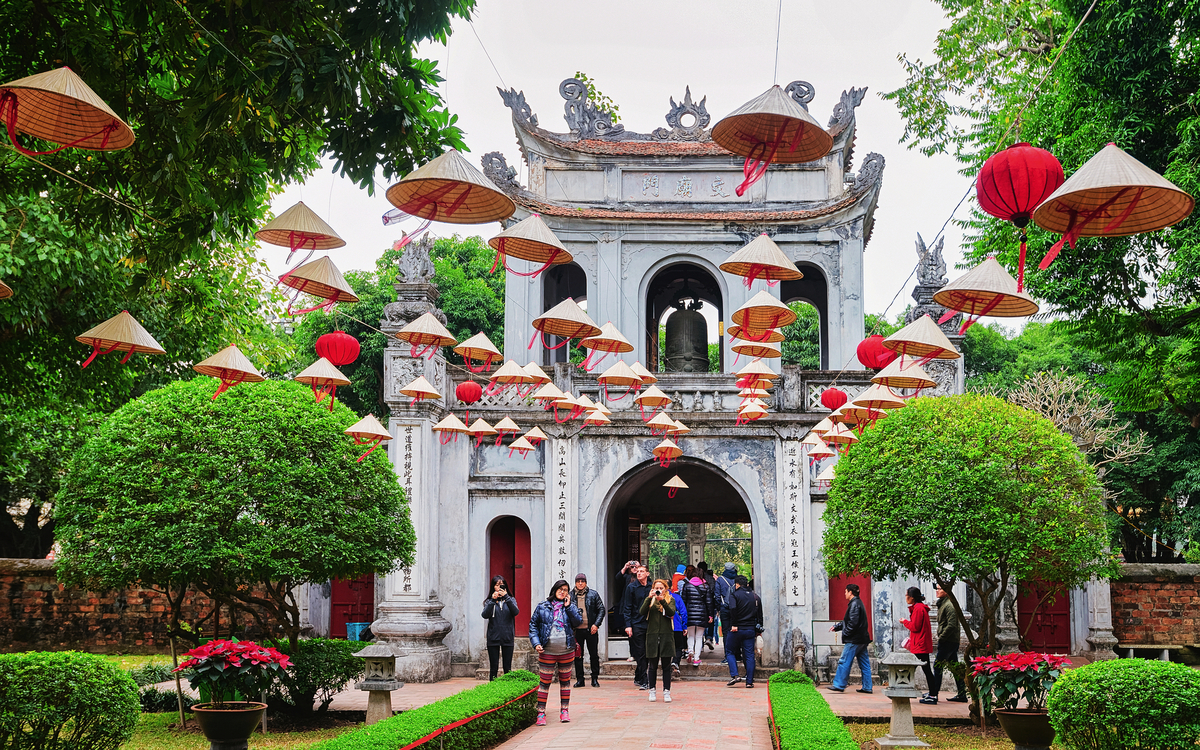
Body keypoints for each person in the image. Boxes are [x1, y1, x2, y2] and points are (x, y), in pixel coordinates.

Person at [529, 579, 583, 726]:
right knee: (544, 682)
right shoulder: (542, 607)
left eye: (565, 590)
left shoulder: (570, 607)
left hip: (566, 650)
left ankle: (564, 711)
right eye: (560, 589)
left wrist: (569, 606)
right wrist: (536, 643)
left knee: (565, 682)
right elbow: (533, 626)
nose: (562, 591)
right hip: (547, 651)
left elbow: (578, 622)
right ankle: (541, 713)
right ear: (554, 590)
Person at [928, 582, 968, 704]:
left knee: (937, 666)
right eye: (937, 588)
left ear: (946, 591)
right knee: (954, 667)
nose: (937, 591)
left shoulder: (949, 605)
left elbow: (951, 625)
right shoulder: (943, 604)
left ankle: (933, 694)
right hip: (950, 641)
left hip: (948, 641)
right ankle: (962, 693)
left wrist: (942, 637)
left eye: (939, 589)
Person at [829, 583, 872, 693]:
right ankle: (867, 687)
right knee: (864, 664)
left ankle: (839, 684)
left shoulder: (854, 605)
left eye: (845, 592)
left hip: (854, 640)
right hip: (862, 639)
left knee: (844, 661)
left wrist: (846, 634)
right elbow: (849, 621)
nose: (845, 594)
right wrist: (837, 627)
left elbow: (852, 623)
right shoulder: (858, 603)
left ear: (850, 592)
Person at [639, 578, 677, 703]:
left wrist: (663, 601)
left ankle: (666, 691)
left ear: (665, 589)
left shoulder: (670, 599)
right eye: (657, 588)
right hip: (653, 635)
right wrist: (649, 598)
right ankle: (652, 690)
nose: (659, 590)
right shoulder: (650, 600)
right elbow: (642, 611)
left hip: (666, 635)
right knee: (652, 666)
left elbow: (671, 612)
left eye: (661, 588)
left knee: (666, 666)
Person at [721, 575, 762, 687]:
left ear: (737, 585)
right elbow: (760, 615)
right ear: (747, 584)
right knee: (749, 655)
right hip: (750, 629)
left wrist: (734, 624)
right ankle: (749, 681)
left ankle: (735, 675)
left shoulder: (734, 595)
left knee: (730, 651)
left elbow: (732, 609)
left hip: (736, 629)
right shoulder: (755, 597)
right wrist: (759, 629)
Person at [900, 586, 935, 702]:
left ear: (912, 598)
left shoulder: (918, 609)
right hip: (920, 643)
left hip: (920, 644)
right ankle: (932, 693)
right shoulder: (919, 608)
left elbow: (915, 627)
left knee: (920, 669)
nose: (906, 598)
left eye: (907, 596)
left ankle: (932, 695)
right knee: (924, 669)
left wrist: (905, 622)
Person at [481, 575, 520, 681]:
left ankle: (508, 690)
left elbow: (516, 612)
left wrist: (506, 597)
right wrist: (493, 600)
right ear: (493, 587)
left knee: (507, 668)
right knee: (493, 668)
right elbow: (485, 615)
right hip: (493, 637)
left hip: (507, 637)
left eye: (501, 585)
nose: (499, 587)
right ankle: (493, 690)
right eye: (497, 585)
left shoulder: (511, 599)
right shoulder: (489, 601)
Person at [621, 563, 652, 688]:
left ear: (647, 574)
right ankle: (645, 680)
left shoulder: (652, 587)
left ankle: (638, 675)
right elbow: (627, 607)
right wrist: (628, 625)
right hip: (636, 623)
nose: (639, 573)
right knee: (640, 652)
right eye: (638, 571)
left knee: (648, 652)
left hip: (649, 624)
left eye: (642, 571)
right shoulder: (631, 587)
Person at [571, 573, 604, 688]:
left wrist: (596, 624)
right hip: (577, 631)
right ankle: (580, 679)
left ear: (586, 583)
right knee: (578, 656)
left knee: (593, 655)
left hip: (591, 630)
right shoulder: (570, 596)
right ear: (575, 583)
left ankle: (594, 678)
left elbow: (601, 610)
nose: (580, 583)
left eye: (582, 581)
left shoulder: (593, 594)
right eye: (578, 581)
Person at [680, 565, 711, 666]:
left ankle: (690, 651)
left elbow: (683, 601)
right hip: (702, 614)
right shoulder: (705, 586)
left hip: (689, 614)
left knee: (691, 635)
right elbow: (709, 602)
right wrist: (710, 615)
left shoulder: (687, 586)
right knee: (699, 637)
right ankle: (696, 658)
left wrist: (682, 615)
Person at [611, 560, 639, 636]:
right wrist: (625, 567)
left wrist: (639, 567)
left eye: (635, 567)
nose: (634, 568)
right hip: (627, 601)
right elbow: (617, 577)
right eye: (632, 567)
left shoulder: (641, 578)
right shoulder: (628, 577)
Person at [697, 561, 717, 651]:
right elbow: (713, 590)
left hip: (699, 604)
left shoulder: (696, 579)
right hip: (710, 603)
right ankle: (709, 638)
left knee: (699, 623)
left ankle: (700, 643)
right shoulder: (711, 578)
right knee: (710, 620)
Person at [669, 579, 687, 678]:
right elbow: (683, 613)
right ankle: (675, 662)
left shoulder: (656, 598)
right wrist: (684, 626)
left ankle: (667, 667)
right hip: (676, 626)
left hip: (663, 628)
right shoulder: (676, 597)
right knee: (678, 647)